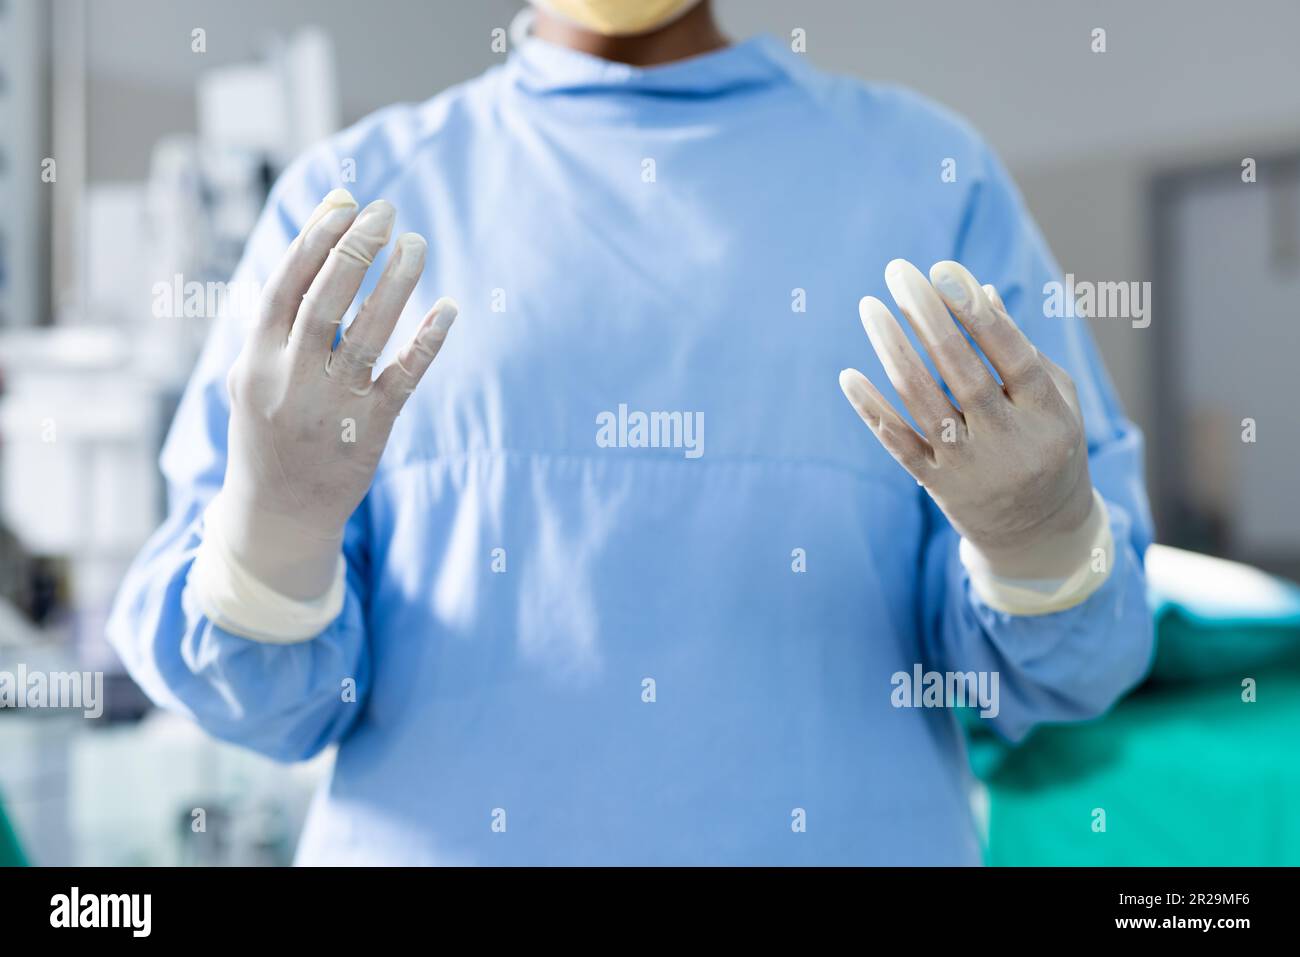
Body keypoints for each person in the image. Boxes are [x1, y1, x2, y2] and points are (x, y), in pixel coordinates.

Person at [108, 0, 1153, 865]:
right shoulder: (357, 199)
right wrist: (274, 535)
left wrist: (1040, 540)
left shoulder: (928, 180)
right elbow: (267, 708)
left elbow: (1059, 676)